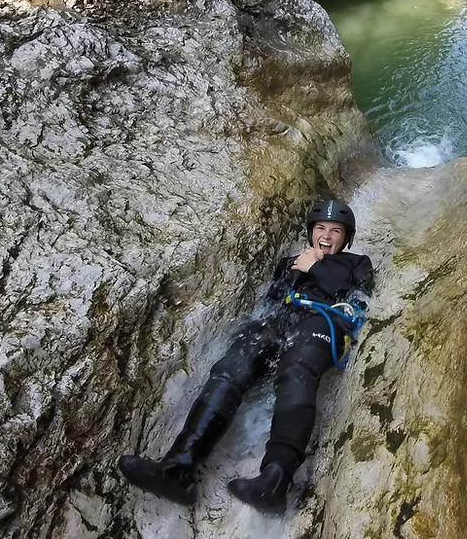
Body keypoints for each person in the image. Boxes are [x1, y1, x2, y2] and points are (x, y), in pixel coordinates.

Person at [118, 200, 373, 514]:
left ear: (346, 238)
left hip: (324, 322)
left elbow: (359, 298)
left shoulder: (358, 262)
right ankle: (178, 467)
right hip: (280, 320)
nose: (326, 235)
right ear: (310, 231)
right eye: (320, 228)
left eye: (336, 231)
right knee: (231, 368)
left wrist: (315, 268)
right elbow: (271, 302)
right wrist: (298, 270)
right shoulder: (289, 262)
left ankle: (274, 482)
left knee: (297, 372)